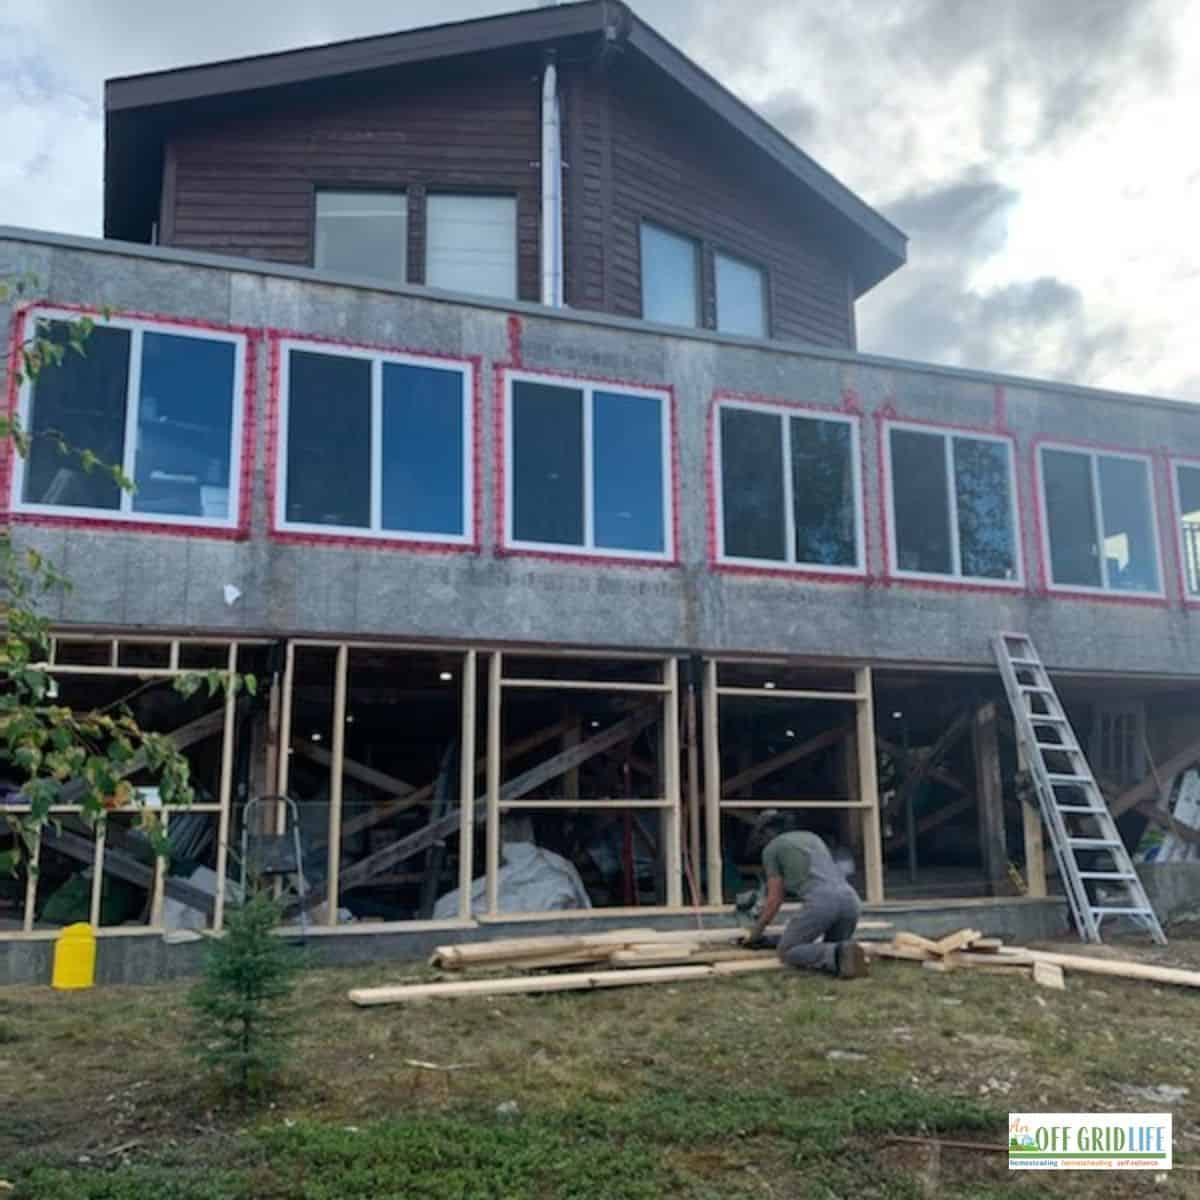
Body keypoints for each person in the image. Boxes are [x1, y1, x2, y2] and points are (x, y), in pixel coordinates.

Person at [744, 810, 868, 979]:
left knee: (787, 950)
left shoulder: (771, 849)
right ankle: (842, 953)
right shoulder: (813, 838)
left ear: (767, 832)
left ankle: (838, 953)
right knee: (834, 948)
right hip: (850, 899)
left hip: (823, 901)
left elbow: (775, 900)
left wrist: (755, 933)